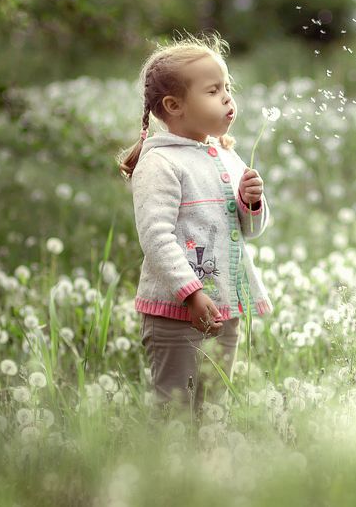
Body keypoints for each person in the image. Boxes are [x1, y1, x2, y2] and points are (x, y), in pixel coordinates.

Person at [117, 31, 273, 425]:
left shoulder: (226, 155)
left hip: (223, 308)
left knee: (214, 411)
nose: (227, 98)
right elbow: (156, 237)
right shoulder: (161, 164)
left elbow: (248, 230)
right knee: (175, 411)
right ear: (175, 105)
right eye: (213, 90)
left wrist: (251, 203)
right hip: (177, 313)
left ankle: (209, 476)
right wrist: (191, 295)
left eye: (227, 88)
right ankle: (167, 478)